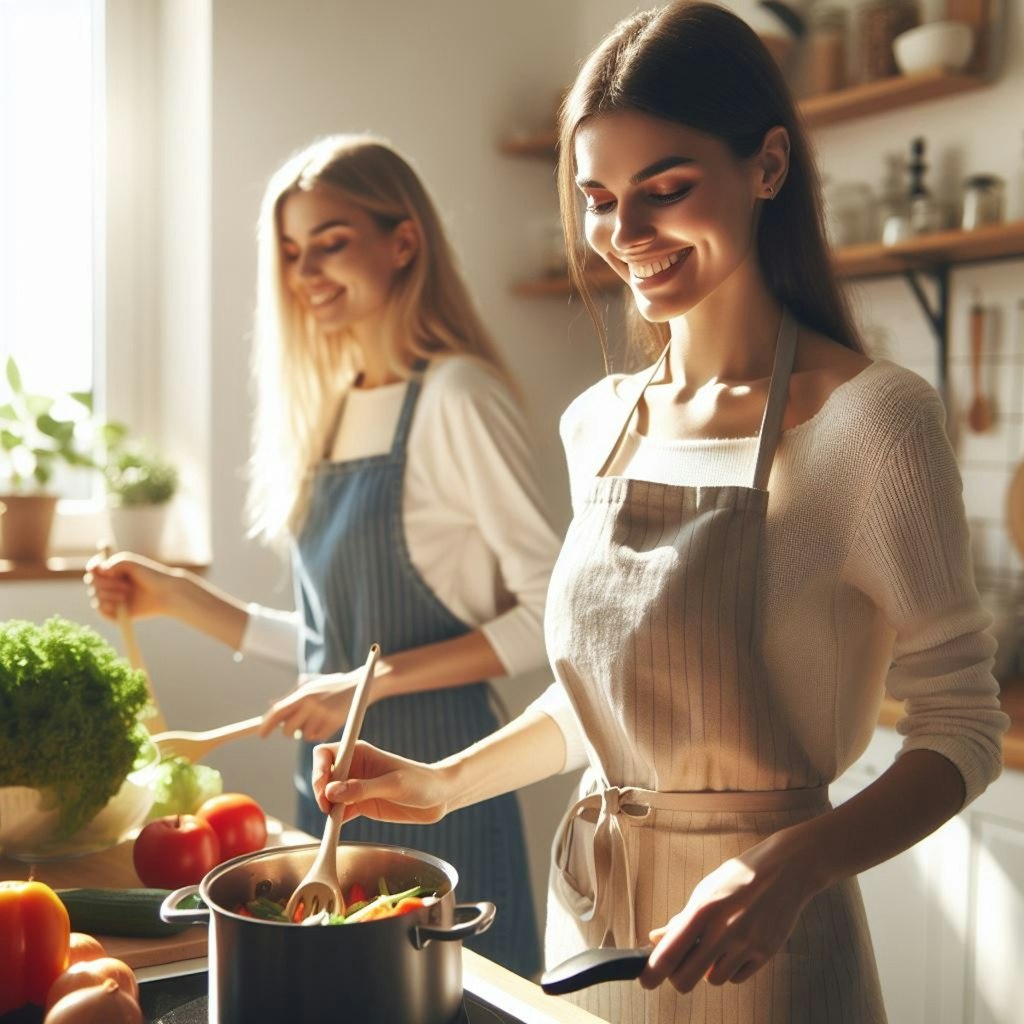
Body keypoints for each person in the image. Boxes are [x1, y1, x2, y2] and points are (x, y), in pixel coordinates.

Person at [307, 5, 1009, 1022]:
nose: (624, 236)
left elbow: (963, 726)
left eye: (665, 190)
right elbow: (604, 706)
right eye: (597, 199)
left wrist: (793, 865)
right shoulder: (597, 422)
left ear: (767, 167)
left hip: (763, 950)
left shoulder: (873, 423)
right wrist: (439, 784)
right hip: (591, 923)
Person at [85, 133, 560, 977]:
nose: (306, 274)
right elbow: (325, 646)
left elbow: (549, 619)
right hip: (332, 790)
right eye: (293, 253)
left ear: (402, 241)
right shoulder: (330, 409)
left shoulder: (456, 397)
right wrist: (175, 597)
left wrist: (362, 686)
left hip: (440, 785)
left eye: (331, 243)